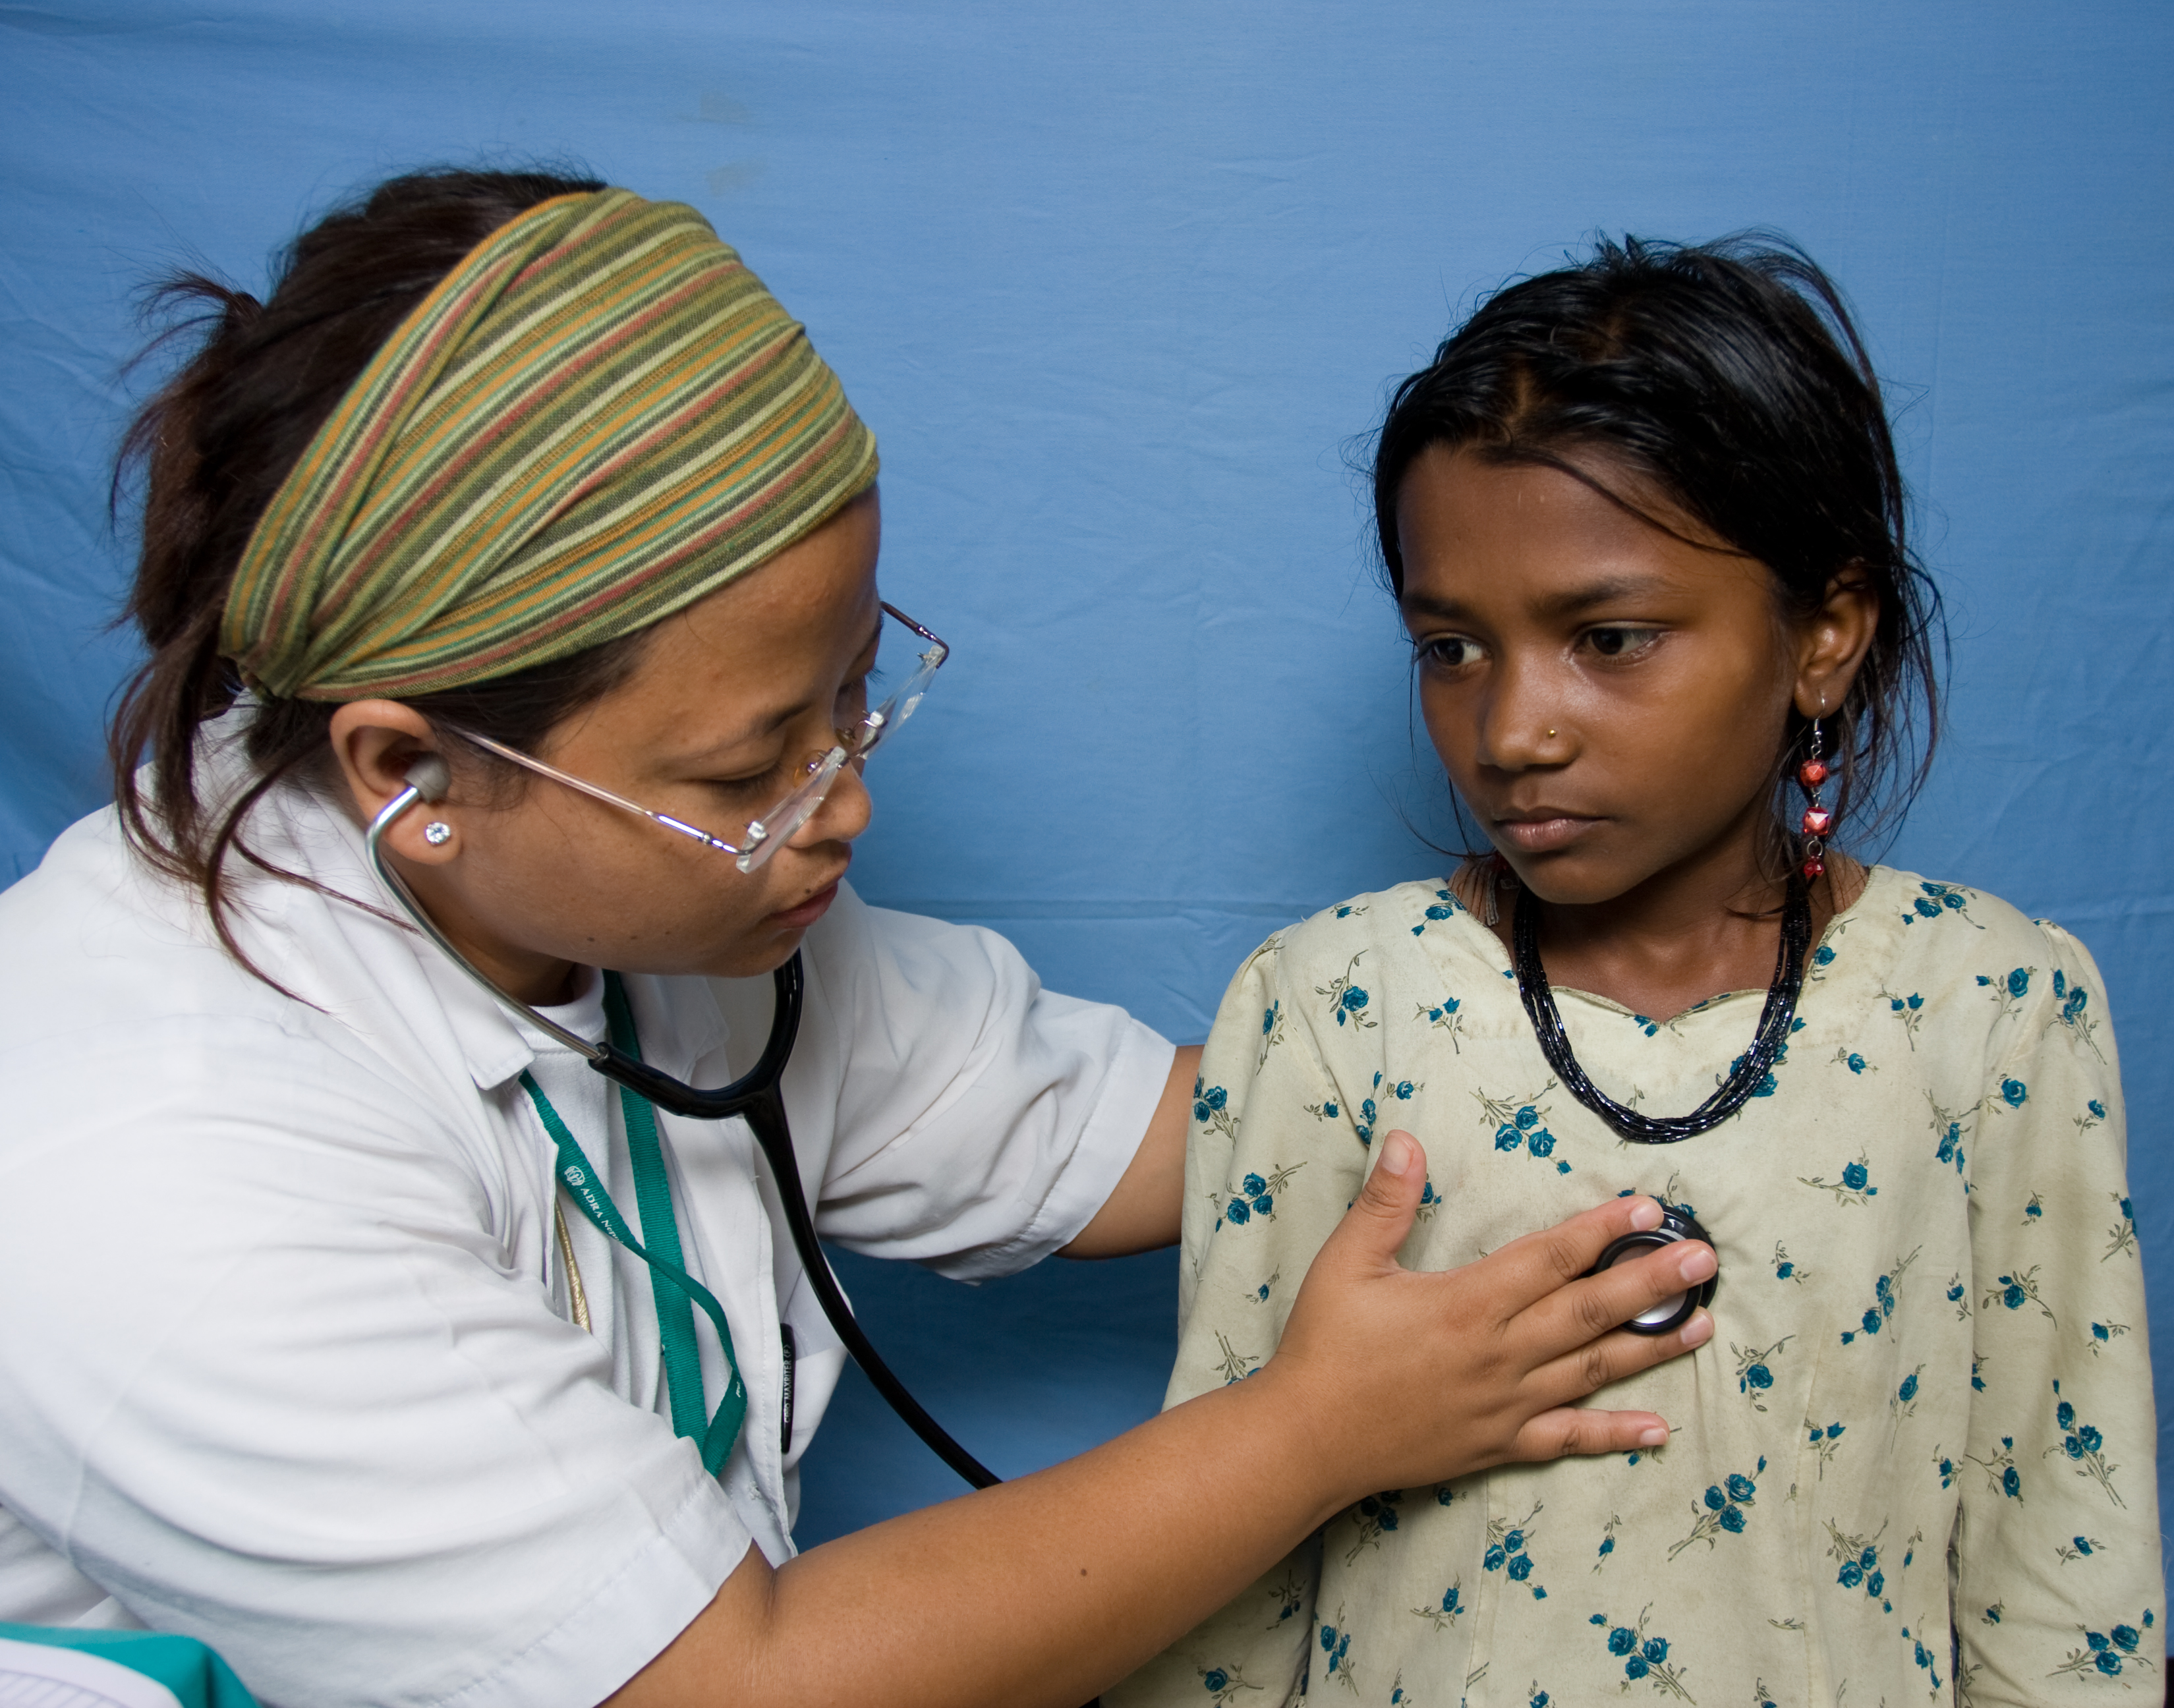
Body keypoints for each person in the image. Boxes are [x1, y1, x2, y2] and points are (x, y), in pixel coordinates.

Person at [0, 171, 1726, 1708]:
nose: (842, 801)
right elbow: (714, 1686)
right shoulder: (151, 1163)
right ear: (410, 769)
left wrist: (1645, 1061)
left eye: (851, 689)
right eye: (755, 760)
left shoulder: (625, 893)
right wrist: (1319, 1432)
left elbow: (1144, 1133)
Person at [1110, 239, 2163, 1707]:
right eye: (1451, 646)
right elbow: (1220, 1541)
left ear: (1826, 634)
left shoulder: (1995, 1003)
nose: (1514, 728)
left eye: (1610, 638)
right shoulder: (1338, 1003)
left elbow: (2064, 1529)